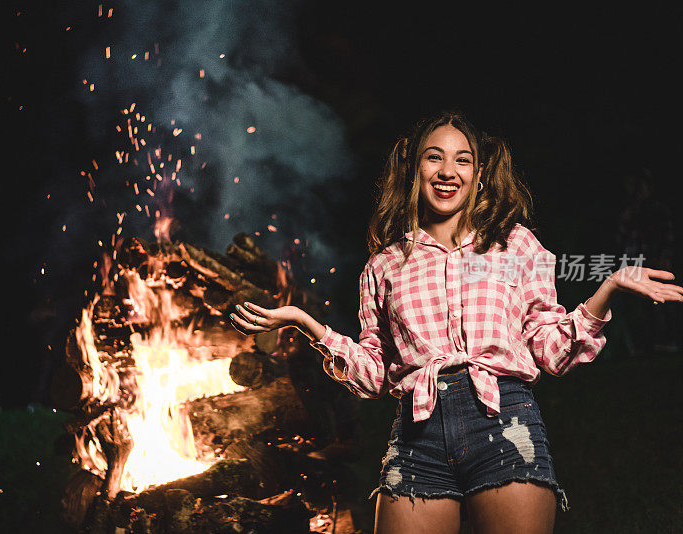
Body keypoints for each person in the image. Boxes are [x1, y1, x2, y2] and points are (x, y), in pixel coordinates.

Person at [228, 111, 683, 534]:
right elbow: (370, 374)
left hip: (504, 421)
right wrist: (305, 323)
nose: (448, 171)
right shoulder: (384, 265)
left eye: (462, 160)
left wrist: (606, 291)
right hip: (416, 434)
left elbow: (550, 349)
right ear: (415, 170)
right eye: (435, 157)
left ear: (479, 174)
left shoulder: (517, 246)